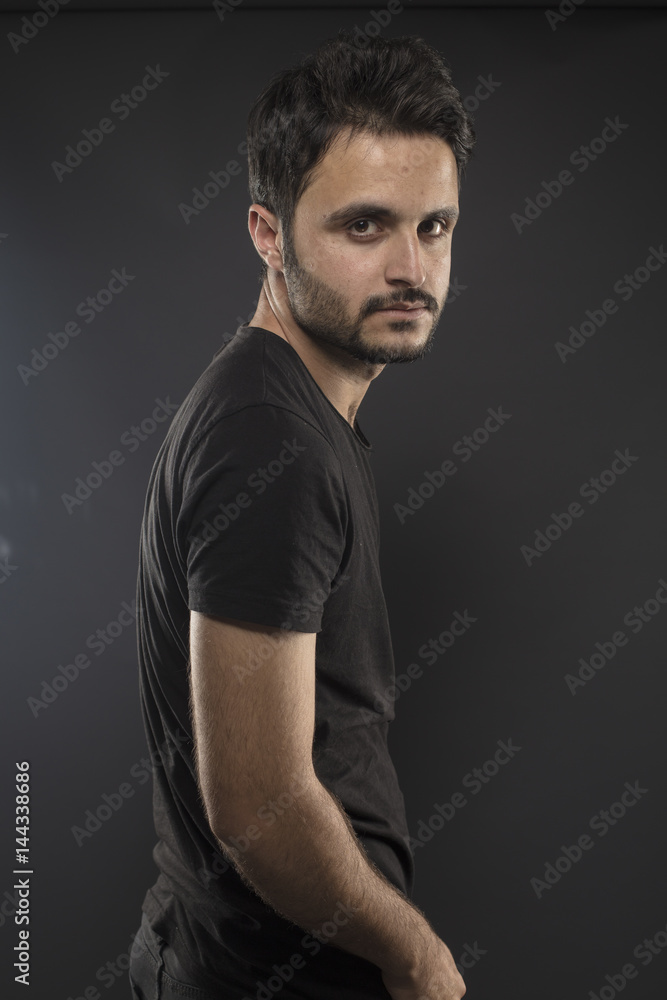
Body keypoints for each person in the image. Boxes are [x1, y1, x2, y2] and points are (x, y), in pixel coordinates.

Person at [129, 29, 475, 1000]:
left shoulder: (293, 413)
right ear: (268, 234)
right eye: (364, 226)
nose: (412, 266)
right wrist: (415, 957)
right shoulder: (267, 440)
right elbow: (260, 804)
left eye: (435, 226)